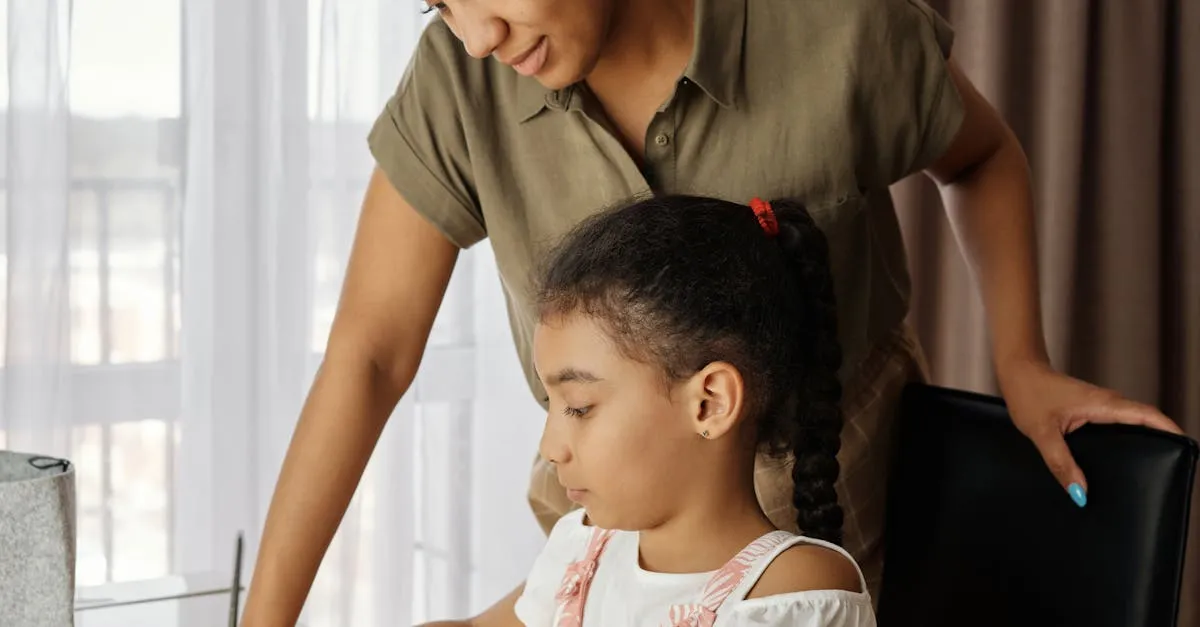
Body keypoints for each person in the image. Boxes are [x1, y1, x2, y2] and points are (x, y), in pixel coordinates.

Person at [240, 0, 1184, 624]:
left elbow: (976, 154)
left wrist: (1022, 359)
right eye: (440, 1)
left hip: (852, 493)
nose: (476, 34)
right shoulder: (586, 550)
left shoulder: (832, 24)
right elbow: (368, 354)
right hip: (625, 526)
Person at [428, 194, 875, 627]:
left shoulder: (791, 594)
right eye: (552, 404)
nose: (550, 448)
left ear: (709, 403)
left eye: (579, 408)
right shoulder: (584, 551)